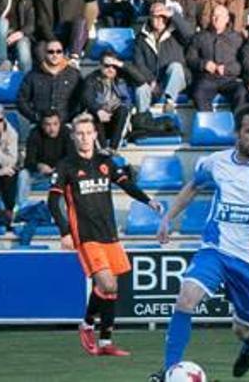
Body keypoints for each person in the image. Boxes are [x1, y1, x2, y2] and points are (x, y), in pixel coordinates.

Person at [154, 106, 249, 380]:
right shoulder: (216, 162)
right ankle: (168, 371)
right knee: (185, 300)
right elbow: (193, 187)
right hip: (216, 249)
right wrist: (168, 216)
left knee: (242, 328)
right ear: (237, 133)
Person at [52, 113, 161, 357]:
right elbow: (53, 200)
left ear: (95, 135)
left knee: (111, 290)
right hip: (86, 235)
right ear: (73, 136)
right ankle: (88, 324)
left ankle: (105, 342)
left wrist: (148, 200)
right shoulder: (66, 166)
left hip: (109, 234)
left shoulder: (105, 162)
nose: (85, 137)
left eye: (88, 133)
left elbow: (125, 184)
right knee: (107, 283)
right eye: (79, 133)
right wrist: (64, 232)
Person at [16, 110, 72, 232]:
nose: (52, 128)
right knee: (23, 175)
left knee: (65, 180)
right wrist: (39, 166)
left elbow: (71, 158)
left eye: (55, 124)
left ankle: (62, 219)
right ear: (42, 125)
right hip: (39, 174)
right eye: (48, 124)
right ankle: (21, 213)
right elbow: (29, 161)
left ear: (60, 123)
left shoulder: (66, 133)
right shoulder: (35, 134)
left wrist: (58, 169)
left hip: (60, 173)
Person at [187, 4, 247, 111]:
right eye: (214, 16)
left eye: (220, 16)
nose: (217, 19)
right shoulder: (200, 36)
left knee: (241, 92)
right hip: (207, 79)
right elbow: (190, 58)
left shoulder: (236, 38)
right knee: (198, 93)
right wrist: (204, 64)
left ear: (227, 19)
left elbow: (243, 62)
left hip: (229, 80)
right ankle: (208, 125)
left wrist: (227, 69)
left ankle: (237, 124)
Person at [133, 5, 189, 114]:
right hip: (154, 82)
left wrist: (173, 15)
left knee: (175, 67)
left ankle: (169, 102)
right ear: (150, 17)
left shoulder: (177, 33)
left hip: (177, 80)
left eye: (163, 16)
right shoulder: (141, 38)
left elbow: (189, 34)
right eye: (156, 17)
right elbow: (139, 64)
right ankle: (143, 120)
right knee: (140, 89)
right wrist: (151, 80)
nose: (159, 20)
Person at [79, 49, 137, 150]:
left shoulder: (123, 77)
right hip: (100, 122)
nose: (110, 69)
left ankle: (113, 149)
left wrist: (120, 64)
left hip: (118, 122)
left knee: (123, 110)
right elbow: (86, 97)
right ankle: (102, 149)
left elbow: (141, 78)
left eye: (114, 66)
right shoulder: (92, 79)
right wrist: (98, 110)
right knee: (92, 112)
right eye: (106, 65)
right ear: (100, 65)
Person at [17, 40, 81, 123]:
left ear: (63, 54)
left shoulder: (73, 74)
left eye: (58, 52)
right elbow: (22, 100)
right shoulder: (33, 75)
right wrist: (35, 116)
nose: (55, 55)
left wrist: (70, 116)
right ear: (45, 54)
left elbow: (81, 99)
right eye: (51, 52)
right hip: (40, 124)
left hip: (66, 123)